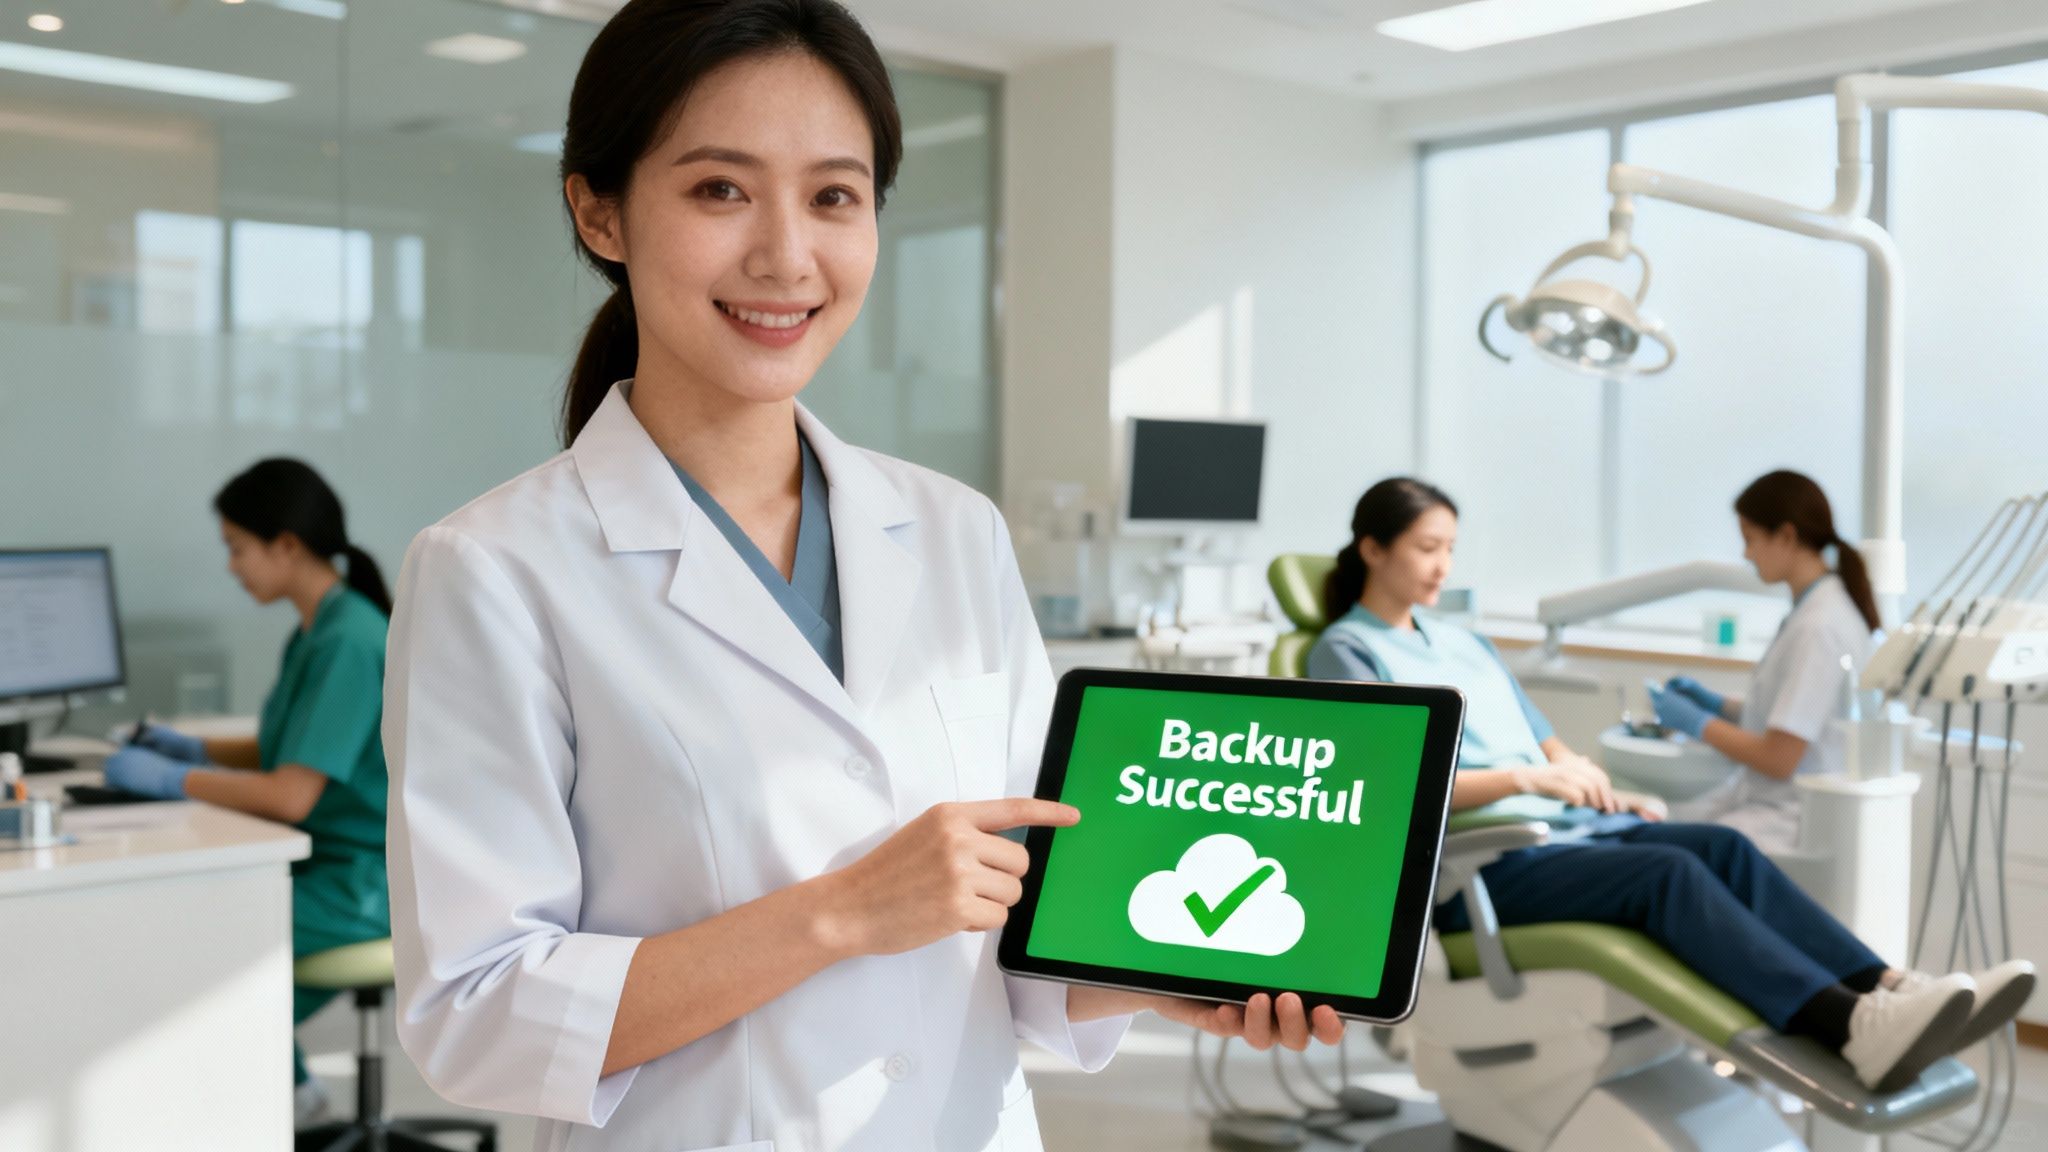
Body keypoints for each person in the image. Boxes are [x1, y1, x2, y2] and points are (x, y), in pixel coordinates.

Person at [380, 4, 1338, 1150]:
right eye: (719, 190)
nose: (787, 255)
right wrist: (838, 914)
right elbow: (475, 1014)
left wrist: (1150, 973)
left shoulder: (952, 532)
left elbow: (1020, 934)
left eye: (834, 196)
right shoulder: (495, 571)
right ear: (600, 210)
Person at [1306, 477, 2035, 1093]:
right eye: (1426, 549)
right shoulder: (1345, 650)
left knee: (1720, 845)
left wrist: (1598, 784)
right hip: (1478, 871)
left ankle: (1883, 990)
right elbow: (1395, 788)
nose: (1442, 566)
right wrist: (1530, 777)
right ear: (1374, 549)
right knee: (1666, 874)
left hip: (1556, 840)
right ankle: (1845, 1025)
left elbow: (1548, 739)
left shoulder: (1464, 642)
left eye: (1450, 550)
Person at [103, 457, 392, 1124]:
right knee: (201, 948)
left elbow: (291, 794)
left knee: (207, 963)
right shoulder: (322, 626)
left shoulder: (348, 640)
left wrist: (172, 780)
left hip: (363, 883)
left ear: (285, 545)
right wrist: (190, 748)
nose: (231, 566)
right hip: (327, 860)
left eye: (237, 548)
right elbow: (294, 746)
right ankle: (284, 1097)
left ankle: (291, 1104)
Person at [1648, 470, 1878, 851]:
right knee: (1662, 833)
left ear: (1786, 536)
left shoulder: (1819, 627)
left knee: (1667, 857)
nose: (1746, 554)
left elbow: (1779, 756)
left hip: (1787, 819)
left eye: (1750, 540)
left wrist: (1698, 723)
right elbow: (1791, 718)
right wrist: (1717, 705)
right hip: (1770, 805)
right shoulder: (1814, 609)